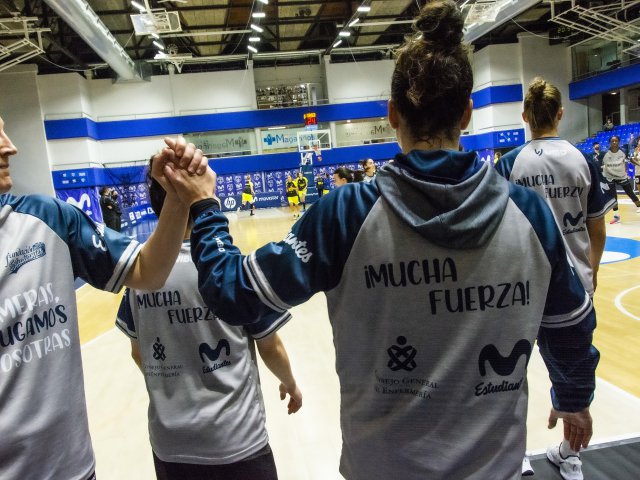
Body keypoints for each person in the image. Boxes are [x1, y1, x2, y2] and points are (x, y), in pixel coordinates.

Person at [162, 3, 598, 479]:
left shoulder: (346, 214)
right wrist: (573, 398)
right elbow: (569, 324)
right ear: (467, 113)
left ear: (391, 115)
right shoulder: (528, 213)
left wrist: (203, 206)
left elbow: (233, 293)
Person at [0, 114, 209, 480]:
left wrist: (175, 196)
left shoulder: (48, 219)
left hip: (74, 468)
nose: (10, 146)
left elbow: (148, 272)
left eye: (5, 128)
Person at [115, 159, 302, 480]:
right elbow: (270, 347)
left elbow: (138, 351)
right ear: (201, 194)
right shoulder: (232, 268)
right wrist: (290, 382)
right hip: (236, 440)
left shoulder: (140, 278)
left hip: (171, 444)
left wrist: (176, 380)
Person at [495, 77, 614, 479]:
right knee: (575, 377)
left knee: (506, 374)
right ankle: (568, 453)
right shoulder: (583, 160)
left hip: (520, 288)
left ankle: (516, 456)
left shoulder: (509, 164)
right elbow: (597, 229)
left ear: (525, 116)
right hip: (574, 289)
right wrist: (590, 273)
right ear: (560, 114)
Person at [602, 135, 640, 223]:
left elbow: (630, 159)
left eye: (616, 141)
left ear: (619, 142)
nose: (614, 142)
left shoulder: (624, 151)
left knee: (631, 194)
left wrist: (638, 164)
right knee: (613, 197)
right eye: (612, 141)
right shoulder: (604, 153)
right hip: (610, 177)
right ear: (610, 142)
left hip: (622, 176)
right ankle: (616, 216)